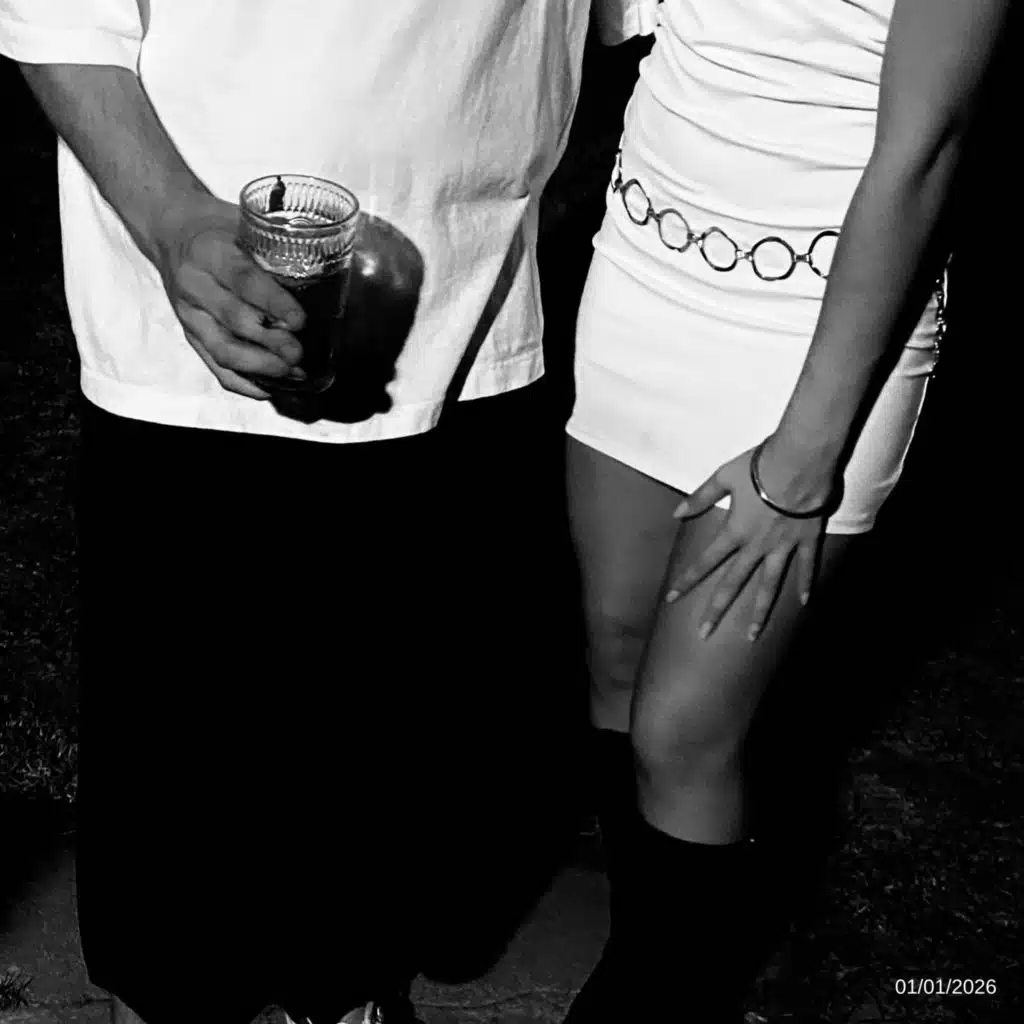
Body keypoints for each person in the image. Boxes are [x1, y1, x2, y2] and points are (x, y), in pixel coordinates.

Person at [0, 3, 594, 1023]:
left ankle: (343, 988)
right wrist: (175, 222)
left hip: (475, 306)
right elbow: (61, 17)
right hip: (205, 313)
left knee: (387, 727)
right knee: (184, 751)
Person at [564, 0, 1009, 1020]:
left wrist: (805, 459)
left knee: (684, 731)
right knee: (616, 656)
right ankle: (650, 945)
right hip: (645, 257)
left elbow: (923, 151)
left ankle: (654, 1000)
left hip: (815, 332)